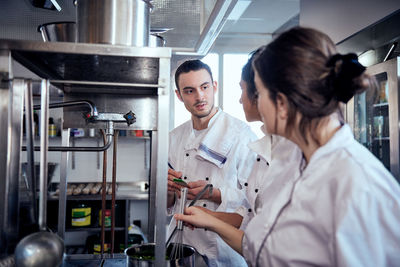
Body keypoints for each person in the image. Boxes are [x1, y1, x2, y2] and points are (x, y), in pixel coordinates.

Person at [175, 27, 400, 266]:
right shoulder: (293, 161)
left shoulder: (356, 184)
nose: (251, 102)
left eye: (259, 94)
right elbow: (260, 248)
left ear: (280, 103)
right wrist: (211, 220)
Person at [200, 50, 302, 231]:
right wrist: (208, 217)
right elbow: (250, 217)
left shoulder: (300, 157)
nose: (240, 99)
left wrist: (212, 204)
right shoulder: (266, 148)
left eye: (242, 88)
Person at [167, 59, 257, 266]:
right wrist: (169, 188)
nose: (200, 96)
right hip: (183, 241)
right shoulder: (174, 138)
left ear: (214, 86)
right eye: (189, 91)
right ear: (179, 96)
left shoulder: (242, 136)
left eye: (204, 87)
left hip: (224, 247)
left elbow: (254, 201)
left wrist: (213, 193)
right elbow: (169, 204)